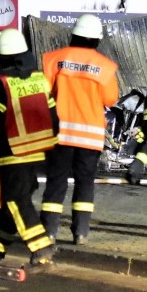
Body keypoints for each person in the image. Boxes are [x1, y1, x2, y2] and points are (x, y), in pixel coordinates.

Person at [0, 29, 58, 268]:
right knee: (13, 203)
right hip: (40, 151)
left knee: (16, 201)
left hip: (13, 152)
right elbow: (53, 116)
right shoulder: (39, 79)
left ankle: (41, 247)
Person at [40, 14, 119, 245]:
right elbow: (111, 99)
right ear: (97, 40)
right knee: (85, 183)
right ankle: (81, 232)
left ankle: (49, 232)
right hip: (90, 137)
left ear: (73, 34)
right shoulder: (104, 66)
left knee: (56, 182)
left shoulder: (54, 59)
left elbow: (43, 93)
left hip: (60, 134)